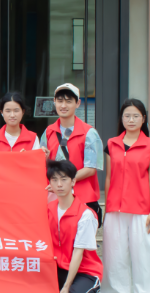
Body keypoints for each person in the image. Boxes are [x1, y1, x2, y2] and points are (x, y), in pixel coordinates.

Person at [15, 159, 101, 293]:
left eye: (64, 179)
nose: (59, 184)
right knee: (25, 261)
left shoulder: (85, 214)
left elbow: (78, 253)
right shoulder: (48, 209)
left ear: (73, 181)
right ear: (49, 184)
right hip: (57, 267)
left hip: (83, 270)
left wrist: (67, 286)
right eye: (54, 180)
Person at [101, 99, 150, 293]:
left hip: (141, 209)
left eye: (136, 116)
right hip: (115, 210)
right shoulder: (112, 144)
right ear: (121, 118)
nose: (131, 120)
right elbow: (109, 177)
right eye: (127, 115)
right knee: (114, 257)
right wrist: (108, 206)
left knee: (144, 258)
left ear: (143, 119)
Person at [0, 91, 38, 293]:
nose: (12, 114)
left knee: (19, 248)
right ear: (1, 112)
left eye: (16, 110)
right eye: (8, 110)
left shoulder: (33, 138)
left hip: (23, 202)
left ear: (23, 112)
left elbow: (36, 170)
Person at [40, 83, 104, 226]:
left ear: (78, 103)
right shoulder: (49, 132)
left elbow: (90, 168)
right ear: (54, 102)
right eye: (60, 101)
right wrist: (44, 158)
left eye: (69, 101)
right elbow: (42, 163)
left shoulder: (89, 133)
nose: (63, 105)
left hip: (83, 198)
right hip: (55, 199)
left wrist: (64, 181)